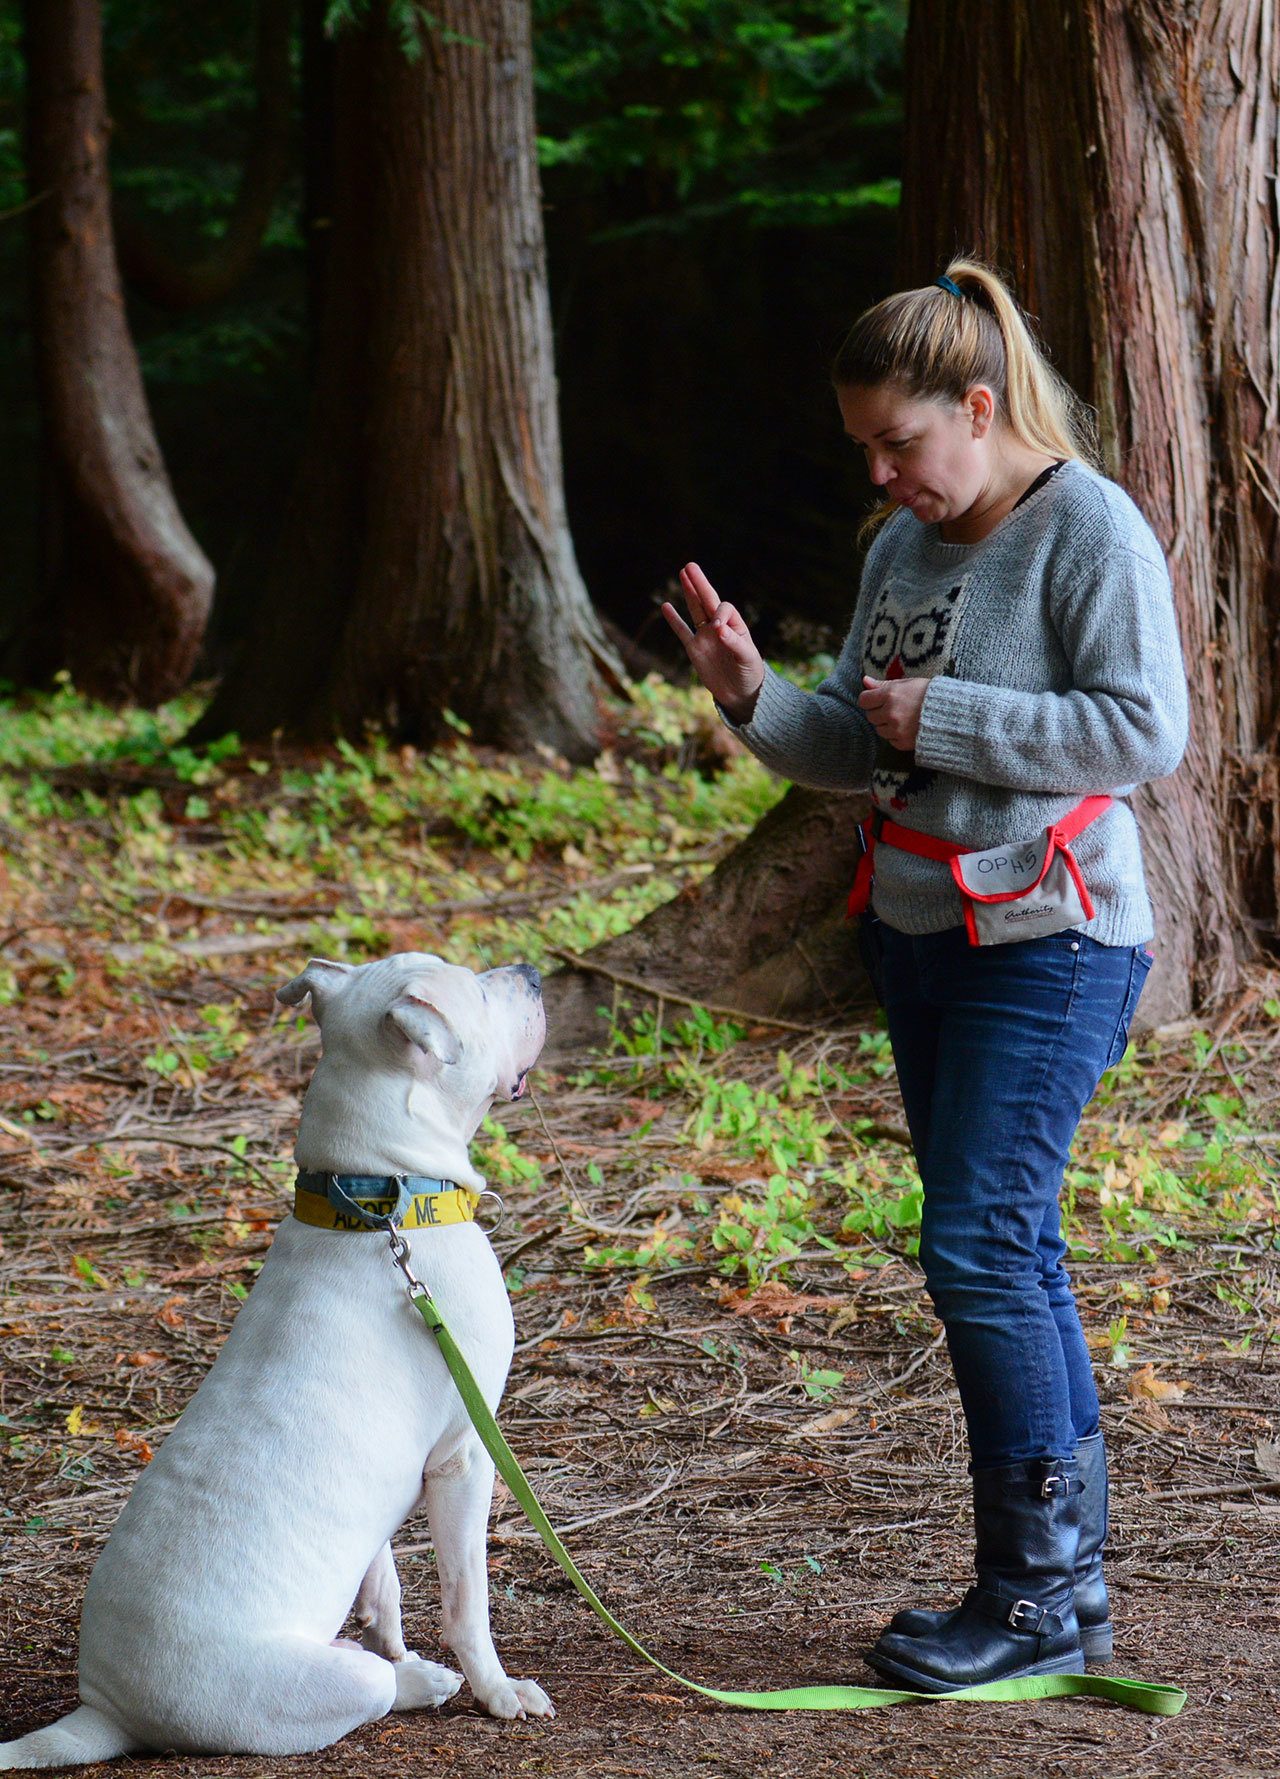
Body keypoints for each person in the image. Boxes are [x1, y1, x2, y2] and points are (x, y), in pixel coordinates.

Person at [662, 258, 1188, 1694]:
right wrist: (751, 693)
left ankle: (1027, 1596)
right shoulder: (899, 548)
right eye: (865, 452)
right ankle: (1059, 1595)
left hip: (1054, 936)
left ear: (979, 402)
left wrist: (942, 710)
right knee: (1011, 1251)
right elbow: (860, 744)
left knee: (975, 1247)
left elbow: (1147, 731)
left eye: (902, 442)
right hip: (916, 934)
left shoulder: (1089, 527)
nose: (885, 475)